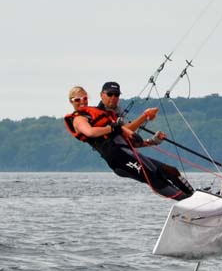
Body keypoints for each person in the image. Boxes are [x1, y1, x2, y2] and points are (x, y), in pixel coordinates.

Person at [64, 85, 194, 200]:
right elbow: (91, 132)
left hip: (127, 153)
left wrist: (152, 141)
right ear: (71, 102)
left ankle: (193, 195)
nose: (82, 101)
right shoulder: (78, 119)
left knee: (169, 170)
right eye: (77, 99)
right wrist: (113, 127)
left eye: (85, 98)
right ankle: (186, 200)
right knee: (154, 177)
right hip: (118, 158)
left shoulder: (99, 115)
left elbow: (128, 136)